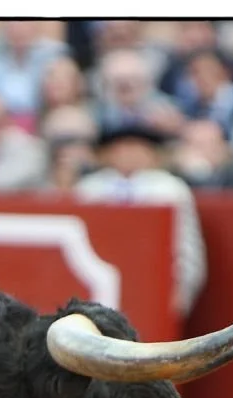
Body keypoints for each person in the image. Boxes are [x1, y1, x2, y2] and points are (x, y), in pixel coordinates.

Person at [74, 122, 206, 319]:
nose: (129, 155)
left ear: (152, 154)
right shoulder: (89, 189)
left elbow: (187, 247)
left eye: (136, 148)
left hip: (153, 285)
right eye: (121, 148)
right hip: (99, 287)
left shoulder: (170, 189)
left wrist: (182, 292)